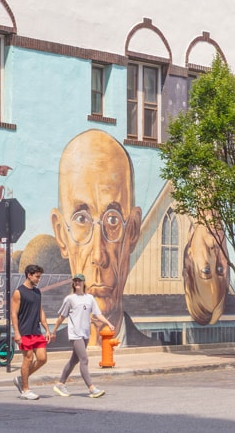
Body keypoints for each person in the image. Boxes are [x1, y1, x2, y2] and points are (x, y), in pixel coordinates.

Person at [50, 129, 159, 347]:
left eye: (113, 221)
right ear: (62, 235)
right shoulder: (52, 349)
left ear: (133, 230)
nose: (99, 256)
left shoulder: (153, 349)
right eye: (81, 219)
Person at [50, 273, 115, 398]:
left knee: (74, 360)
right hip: (75, 334)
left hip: (85, 334)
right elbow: (61, 317)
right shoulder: (70, 299)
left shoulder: (90, 298)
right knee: (84, 359)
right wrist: (54, 331)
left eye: (79, 281)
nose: (77, 283)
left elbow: (97, 314)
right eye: (75, 281)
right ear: (73, 284)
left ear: (84, 283)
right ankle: (92, 388)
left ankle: (60, 384)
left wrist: (108, 322)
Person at [11, 264, 50, 400]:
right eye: (37, 277)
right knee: (28, 359)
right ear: (29, 275)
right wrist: (16, 332)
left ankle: (21, 378)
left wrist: (47, 328)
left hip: (36, 331)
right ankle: (25, 390)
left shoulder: (37, 292)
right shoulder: (19, 292)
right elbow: (14, 314)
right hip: (24, 331)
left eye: (40, 277)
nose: (39, 279)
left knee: (42, 358)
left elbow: (40, 310)